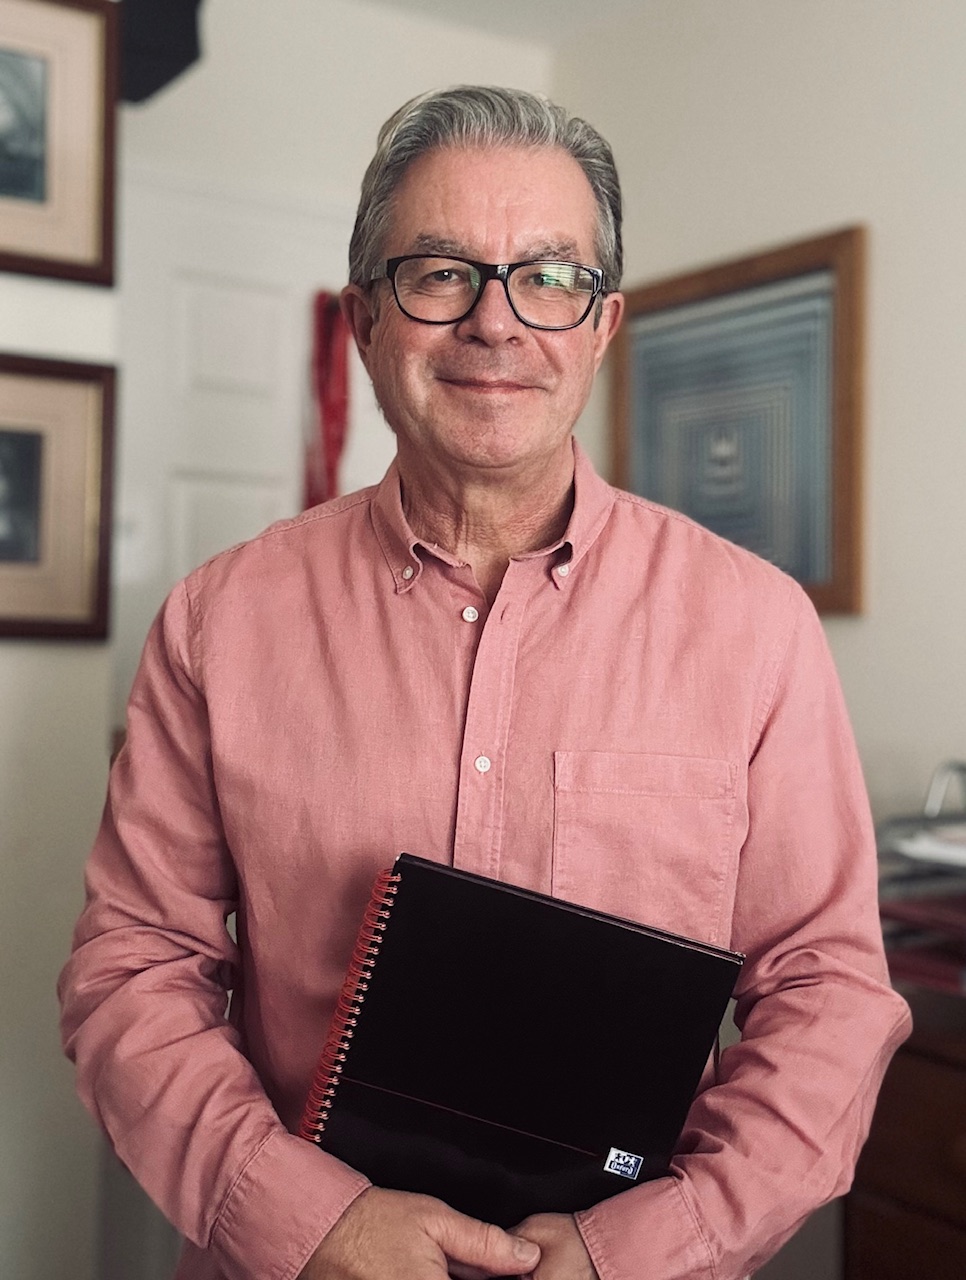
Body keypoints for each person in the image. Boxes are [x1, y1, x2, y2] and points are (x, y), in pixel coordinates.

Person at [59, 85, 910, 1280]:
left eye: (548, 276)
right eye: (441, 272)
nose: (496, 324)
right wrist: (309, 1220)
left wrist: (650, 1243)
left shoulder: (756, 628)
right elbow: (133, 969)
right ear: (365, 318)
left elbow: (828, 995)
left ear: (603, 325)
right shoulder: (220, 620)